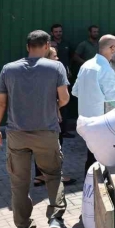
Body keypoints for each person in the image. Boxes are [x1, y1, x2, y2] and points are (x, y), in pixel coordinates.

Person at [0, 30, 70, 228]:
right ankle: (56, 218)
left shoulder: (9, 69)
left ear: (28, 47)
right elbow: (64, 98)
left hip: (17, 135)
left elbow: (0, 104)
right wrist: (53, 107)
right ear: (47, 45)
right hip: (47, 133)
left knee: (19, 183)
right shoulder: (56, 67)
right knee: (53, 174)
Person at [72, 35, 115, 175]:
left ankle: (88, 187)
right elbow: (112, 100)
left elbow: (75, 91)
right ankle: (94, 189)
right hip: (102, 120)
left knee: (91, 155)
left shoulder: (85, 65)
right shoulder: (106, 69)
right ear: (112, 48)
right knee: (99, 158)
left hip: (85, 119)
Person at [34, 47, 75, 187]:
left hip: (38, 114)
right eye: (54, 56)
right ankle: (56, 176)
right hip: (52, 113)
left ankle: (39, 175)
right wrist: (57, 110)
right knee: (55, 144)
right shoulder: (54, 72)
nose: (57, 59)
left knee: (39, 144)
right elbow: (60, 97)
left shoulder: (35, 72)